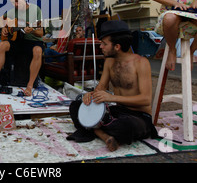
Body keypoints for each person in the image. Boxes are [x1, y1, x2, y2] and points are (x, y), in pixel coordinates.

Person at [67, 20, 157, 151]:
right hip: (118, 111)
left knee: (125, 127)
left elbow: (145, 99)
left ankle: (95, 129)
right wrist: (90, 95)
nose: (101, 47)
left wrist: (111, 98)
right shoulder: (109, 62)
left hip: (139, 116)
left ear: (117, 47)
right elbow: (101, 88)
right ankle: (105, 136)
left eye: (104, 44)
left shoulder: (141, 63)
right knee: (76, 107)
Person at [0, 0, 44, 96]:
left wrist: (32, 30)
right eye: (12, 3)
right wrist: (4, 29)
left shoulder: (36, 9)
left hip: (32, 41)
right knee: (2, 45)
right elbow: (3, 21)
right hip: (18, 41)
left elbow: (41, 32)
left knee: (38, 50)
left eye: (16, 1)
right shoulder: (10, 11)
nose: (15, 5)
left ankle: (29, 85)